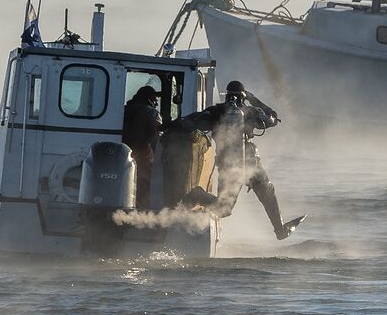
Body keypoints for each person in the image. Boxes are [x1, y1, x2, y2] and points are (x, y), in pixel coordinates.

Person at [167, 80, 301, 239]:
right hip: (252, 164)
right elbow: (272, 118)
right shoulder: (251, 111)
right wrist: (253, 99)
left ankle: (197, 196)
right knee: (267, 192)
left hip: (229, 164)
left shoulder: (216, 111)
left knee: (223, 209)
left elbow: (188, 122)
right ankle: (279, 229)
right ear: (243, 97)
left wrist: (167, 127)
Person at [121, 85, 163, 206]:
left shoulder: (124, 110)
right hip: (143, 153)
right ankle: (142, 209)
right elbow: (157, 137)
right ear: (150, 99)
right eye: (155, 100)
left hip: (122, 153)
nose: (156, 104)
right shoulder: (152, 113)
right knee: (144, 184)